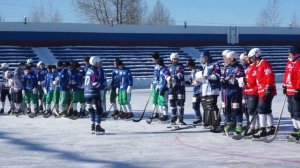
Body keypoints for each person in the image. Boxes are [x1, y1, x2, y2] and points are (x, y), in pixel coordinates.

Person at [248, 48, 276, 139]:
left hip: (266, 90)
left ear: (256, 56)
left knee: (261, 110)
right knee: (266, 109)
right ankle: (271, 127)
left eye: (252, 57)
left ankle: (263, 129)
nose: (251, 60)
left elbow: (270, 75)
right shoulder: (257, 65)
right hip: (261, 90)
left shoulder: (264, 63)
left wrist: (268, 86)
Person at [221, 51, 245, 135]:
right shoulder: (226, 68)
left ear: (233, 58)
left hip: (235, 92)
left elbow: (237, 80)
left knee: (236, 109)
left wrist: (227, 80)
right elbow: (222, 77)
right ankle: (228, 124)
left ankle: (239, 124)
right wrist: (223, 80)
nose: (226, 60)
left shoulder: (239, 67)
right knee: (227, 109)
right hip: (227, 92)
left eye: (228, 59)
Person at [199, 50, 222, 132]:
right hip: (205, 89)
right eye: (202, 57)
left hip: (212, 88)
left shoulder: (214, 63)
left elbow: (218, 75)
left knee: (212, 106)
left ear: (208, 56)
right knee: (206, 106)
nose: (204, 59)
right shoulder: (204, 65)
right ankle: (210, 123)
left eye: (205, 57)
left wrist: (207, 77)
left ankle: (217, 124)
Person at [239, 52, 259, 137]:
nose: (245, 60)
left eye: (246, 58)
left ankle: (255, 127)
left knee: (252, 110)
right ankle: (251, 125)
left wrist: (244, 80)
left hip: (253, 91)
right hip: (246, 90)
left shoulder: (254, 66)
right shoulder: (248, 67)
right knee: (246, 109)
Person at [84, 56, 105, 134]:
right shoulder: (94, 71)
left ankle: (92, 125)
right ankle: (97, 126)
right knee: (98, 109)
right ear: (95, 62)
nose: (100, 64)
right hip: (94, 93)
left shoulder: (88, 70)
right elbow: (95, 83)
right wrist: (102, 86)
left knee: (91, 110)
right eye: (99, 62)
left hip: (86, 93)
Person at [166, 53, 186, 125]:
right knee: (172, 102)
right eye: (174, 59)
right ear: (171, 59)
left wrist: (174, 77)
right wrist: (168, 78)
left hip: (179, 87)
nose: (175, 60)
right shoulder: (169, 67)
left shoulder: (181, 66)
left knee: (180, 103)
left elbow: (181, 73)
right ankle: (173, 118)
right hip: (171, 87)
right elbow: (166, 74)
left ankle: (180, 119)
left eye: (176, 59)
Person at [288, 46, 300, 142]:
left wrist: (298, 89)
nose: (289, 55)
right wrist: (285, 85)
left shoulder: (299, 63)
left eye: (291, 53)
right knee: (292, 110)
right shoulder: (292, 63)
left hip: (296, 90)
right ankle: (296, 129)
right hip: (291, 90)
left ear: (296, 54)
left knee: (297, 112)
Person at [186, 58, 203, 125]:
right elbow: (191, 81)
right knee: (195, 105)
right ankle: (199, 118)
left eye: (189, 66)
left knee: (204, 105)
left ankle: (206, 119)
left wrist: (197, 82)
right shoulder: (192, 72)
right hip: (195, 91)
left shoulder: (199, 69)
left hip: (201, 90)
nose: (188, 67)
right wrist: (187, 82)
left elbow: (201, 79)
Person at [149, 52, 161, 120]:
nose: (152, 59)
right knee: (154, 100)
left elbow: (161, 77)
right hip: (154, 84)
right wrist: (152, 83)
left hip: (158, 86)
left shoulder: (160, 66)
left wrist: (158, 85)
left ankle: (161, 113)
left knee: (159, 100)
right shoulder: (155, 66)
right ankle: (155, 113)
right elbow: (155, 76)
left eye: (152, 58)